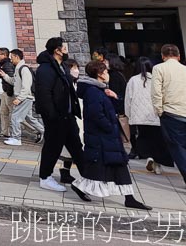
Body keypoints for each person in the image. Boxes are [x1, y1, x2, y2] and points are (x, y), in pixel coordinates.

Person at [72, 60, 151, 210]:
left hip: (106, 137)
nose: (108, 74)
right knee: (102, 167)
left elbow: (110, 109)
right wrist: (109, 127)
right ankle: (81, 186)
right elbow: (95, 114)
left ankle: (129, 198)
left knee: (117, 165)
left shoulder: (100, 89)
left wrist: (114, 97)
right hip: (101, 137)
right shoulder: (93, 91)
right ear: (100, 74)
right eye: (106, 72)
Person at [34, 37, 89, 196]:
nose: (66, 49)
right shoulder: (45, 69)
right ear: (57, 50)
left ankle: (89, 178)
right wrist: (52, 115)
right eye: (64, 47)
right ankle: (45, 177)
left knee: (77, 147)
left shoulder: (62, 66)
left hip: (67, 115)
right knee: (53, 146)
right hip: (56, 117)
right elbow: (44, 95)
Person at [126, 57, 173, 174]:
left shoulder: (132, 80)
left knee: (144, 137)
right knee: (158, 140)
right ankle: (157, 164)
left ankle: (150, 157)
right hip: (156, 115)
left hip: (140, 117)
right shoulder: (157, 79)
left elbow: (128, 100)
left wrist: (129, 115)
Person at [151, 43, 186, 186]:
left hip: (171, 113)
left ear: (162, 56)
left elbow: (156, 92)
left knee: (177, 147)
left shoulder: (159, 68)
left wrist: (159, 111)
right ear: (179, 56)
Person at [3, 49, 43, 146]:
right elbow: (14, 82)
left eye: (11, 57)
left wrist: (19, 98)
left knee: (15, 117)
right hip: (25, 98)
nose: (11, 60)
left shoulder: (23, 69)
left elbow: (26, 86)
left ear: (17, 57)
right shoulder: (18, 68)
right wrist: (4, 76)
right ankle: (45, 131)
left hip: (25, 98)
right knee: (29, 118)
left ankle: (16, 139)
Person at [0, 47, 15, 139]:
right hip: (5, 92)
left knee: (15, 114)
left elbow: (12, 81)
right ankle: (5, 132)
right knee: (3, 112)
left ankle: (37, 130)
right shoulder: (3, 64)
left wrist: (9, 93)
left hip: (9, 93)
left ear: (4, 55)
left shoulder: (7, 65)